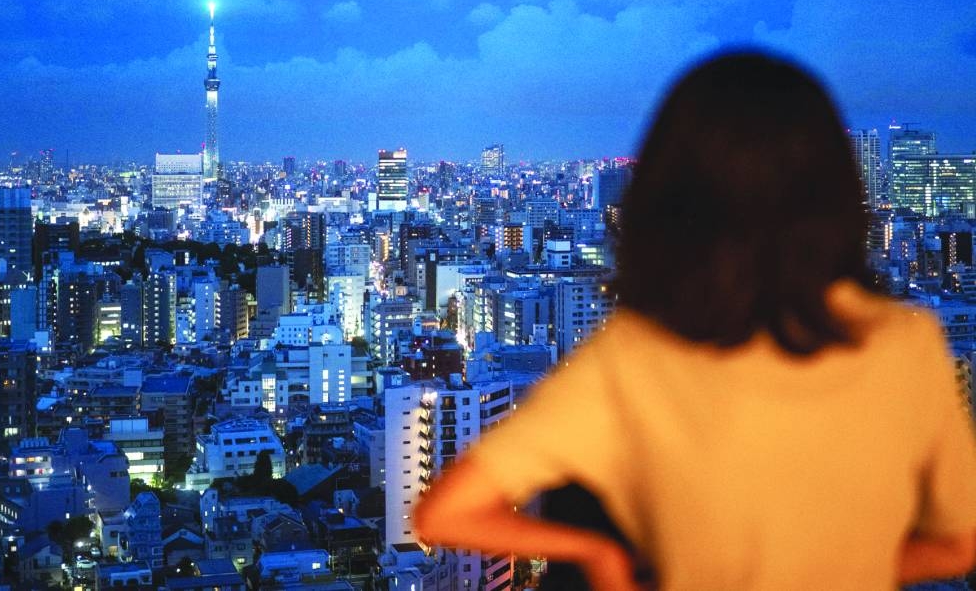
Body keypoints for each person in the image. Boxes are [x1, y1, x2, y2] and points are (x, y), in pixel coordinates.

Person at [414, 51, 976, 589]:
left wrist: (598, 552)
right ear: (835, 189)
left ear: (669, 197)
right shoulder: (905, 342)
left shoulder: (639, 355)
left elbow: (446, 514)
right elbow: (959, 545)